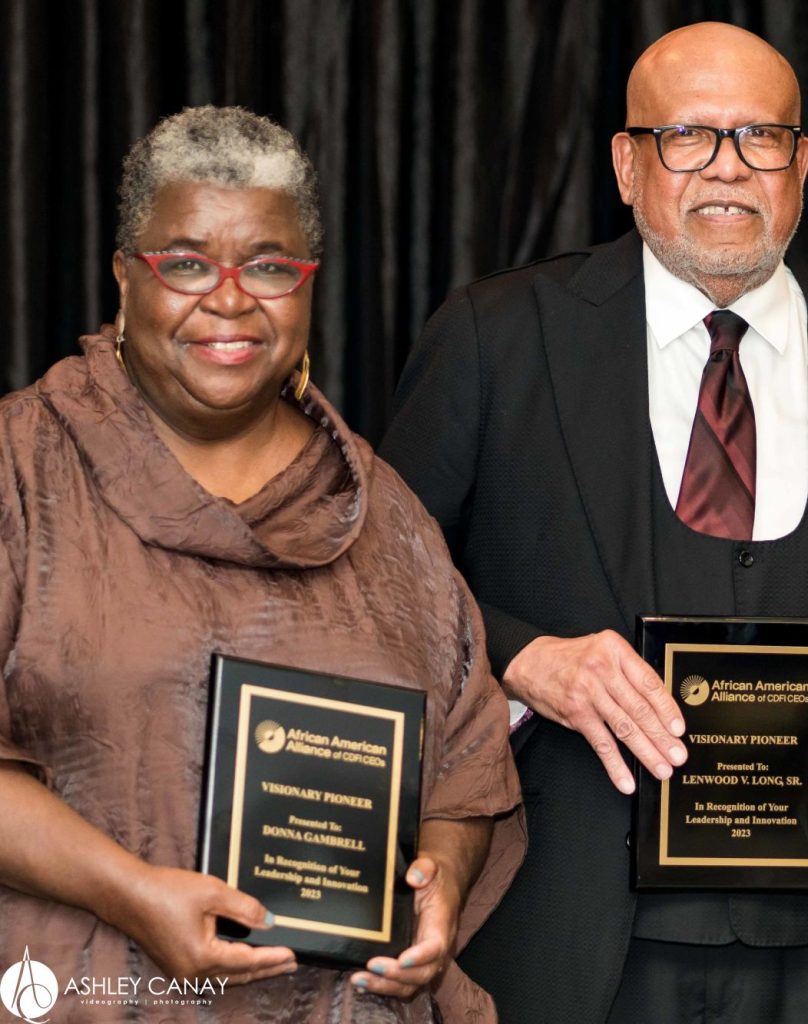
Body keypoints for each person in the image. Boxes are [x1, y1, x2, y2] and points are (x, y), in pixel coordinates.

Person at [379, 21, 808, 1024]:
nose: (727, 170)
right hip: (566, 929)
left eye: (760, 138)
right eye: (688, 137)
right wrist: (524, 659)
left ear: (802, 164)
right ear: (626, 163)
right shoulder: (494, 338)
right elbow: (380, 585)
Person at [0, 106, 525, 1023]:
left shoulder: (385, 514)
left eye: (272, 265)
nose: (233, 298)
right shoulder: (23, 468)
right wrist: (130, 892)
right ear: (126, 279)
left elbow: (468, 773)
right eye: (188, 262)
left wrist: (437, 882)